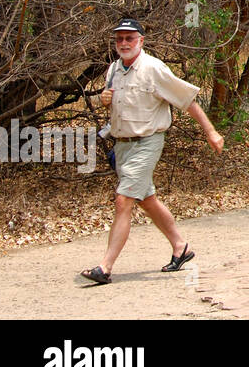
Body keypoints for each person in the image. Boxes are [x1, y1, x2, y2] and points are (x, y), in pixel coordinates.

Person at [80, 17, 224, 285]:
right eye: (119, 39)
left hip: (148, 142)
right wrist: (101, 99)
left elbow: (187, 100)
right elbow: (112, 103)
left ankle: (105, 267)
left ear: (141, 41)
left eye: (129, 38)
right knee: (146, 200)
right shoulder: (113, 69)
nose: (124, 43)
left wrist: (211, 132)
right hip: (122, 146)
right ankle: (181, 246)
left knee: (123, 200)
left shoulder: (153, 68)